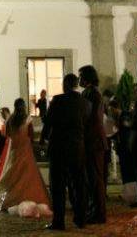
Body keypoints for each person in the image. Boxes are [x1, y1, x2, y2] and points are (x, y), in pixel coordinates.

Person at [40, 73, 88, 231]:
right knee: (79, 183)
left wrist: (43, 139)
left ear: (66, 84)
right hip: (77, 147)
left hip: (59, 147)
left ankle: (59, 221)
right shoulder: (85, 103)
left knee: (58, 186)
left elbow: (48, 122)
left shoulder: (58, 100)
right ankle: (80, 218)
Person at [0, 98, 51, 212]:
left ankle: (9, 199)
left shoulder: (10, 120)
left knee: (12, 172)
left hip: (14, 149)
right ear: (23, 106)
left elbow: (6, 134)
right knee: (28, 173)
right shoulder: (27, 119)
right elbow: (31, 135)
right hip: (25, 149)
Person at [79, 65, 107, 224]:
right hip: (92, 140)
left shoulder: (92, 93)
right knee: (92, 178)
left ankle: (99, 213)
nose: (79, 79)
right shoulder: (90, 92)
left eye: (81, 76)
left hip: (93, 141)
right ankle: (94, 210)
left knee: (95, 178)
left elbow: (91, 117)